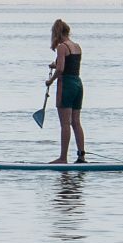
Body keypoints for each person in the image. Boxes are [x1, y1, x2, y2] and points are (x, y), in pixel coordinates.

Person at [47, 19, 86, 164]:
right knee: (76, 122)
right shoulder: (77, 46)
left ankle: (63, 158)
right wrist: (55, 63)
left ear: (57, 33)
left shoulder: (62, 47)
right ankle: (81, 156)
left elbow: (61, 69)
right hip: (78, 84)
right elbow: (69, 64)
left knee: (65, 123)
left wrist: (51, 81)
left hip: (67, 84)